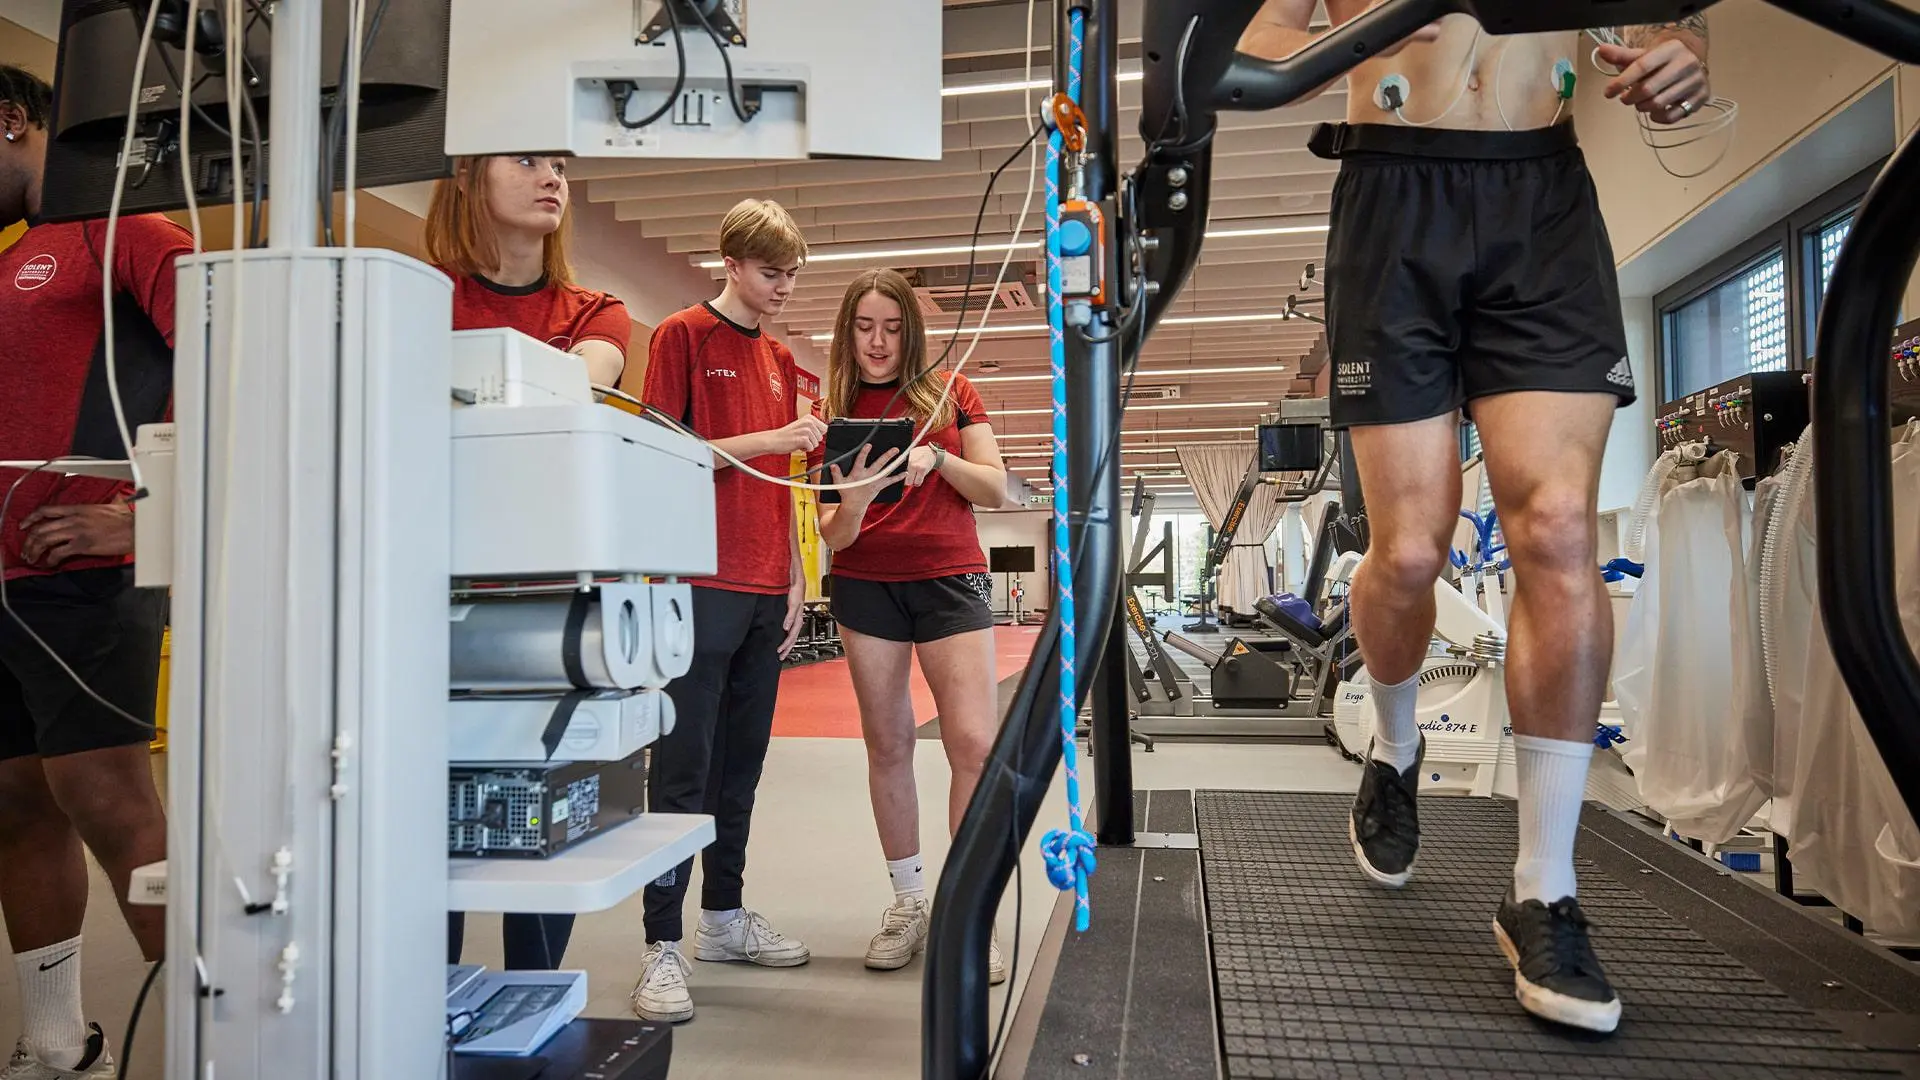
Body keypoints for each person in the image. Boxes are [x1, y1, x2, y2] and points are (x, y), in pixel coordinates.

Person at [1240, 6, 1710, 1034]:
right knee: (1408, 550)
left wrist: (1688, 53)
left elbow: (1677, 22)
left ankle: (1543, 887)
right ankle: (1395, 747)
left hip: (1542, 196)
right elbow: (1260, 50)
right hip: (1392, 192)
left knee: (1557, 534)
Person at [0, 65, 185, 1080]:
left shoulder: (124, 225)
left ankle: (211, 1046)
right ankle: (55, 1038)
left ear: (14, 119)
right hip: (5, 586)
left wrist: (139, 515)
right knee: (15, 804)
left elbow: (225, 347)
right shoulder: (8, 263)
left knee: (109, 801)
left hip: (90, 582)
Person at [425, 152, 633, 971]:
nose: (553, 177)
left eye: (560, 164)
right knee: (426, 840)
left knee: (543, 830)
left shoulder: (596, 310)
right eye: (528, 159)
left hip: (550, 606)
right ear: (471, 172)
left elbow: (574, 388)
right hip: (429, 595)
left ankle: (530, 1009)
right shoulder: (419, 296)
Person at [630, 197, 824, 1024]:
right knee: (682, 769)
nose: (783, 288)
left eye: (791, 275)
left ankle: (722, 920)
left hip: (759, 585)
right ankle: (660, 946)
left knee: (740, 768)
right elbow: (658, 447)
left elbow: (781, 485)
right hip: (696, 582)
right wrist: (769, 440)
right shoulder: (682, 335)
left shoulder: (779, 358)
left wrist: (791, 578)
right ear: (733, 264)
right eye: (772, 272)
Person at [810, 270, 1010, 982]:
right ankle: (908, 903)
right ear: (847, 330)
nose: (878, 342)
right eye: (864, 327)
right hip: (867, 586)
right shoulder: (830, 406)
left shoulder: (952, 392)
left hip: (950, 579)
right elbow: (832, 533)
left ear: (911, 332)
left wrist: (939, 456)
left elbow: (996, 485)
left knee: (976, 745)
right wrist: (859, 500)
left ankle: (972, 910)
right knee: (888, 742)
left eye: (892, 328)